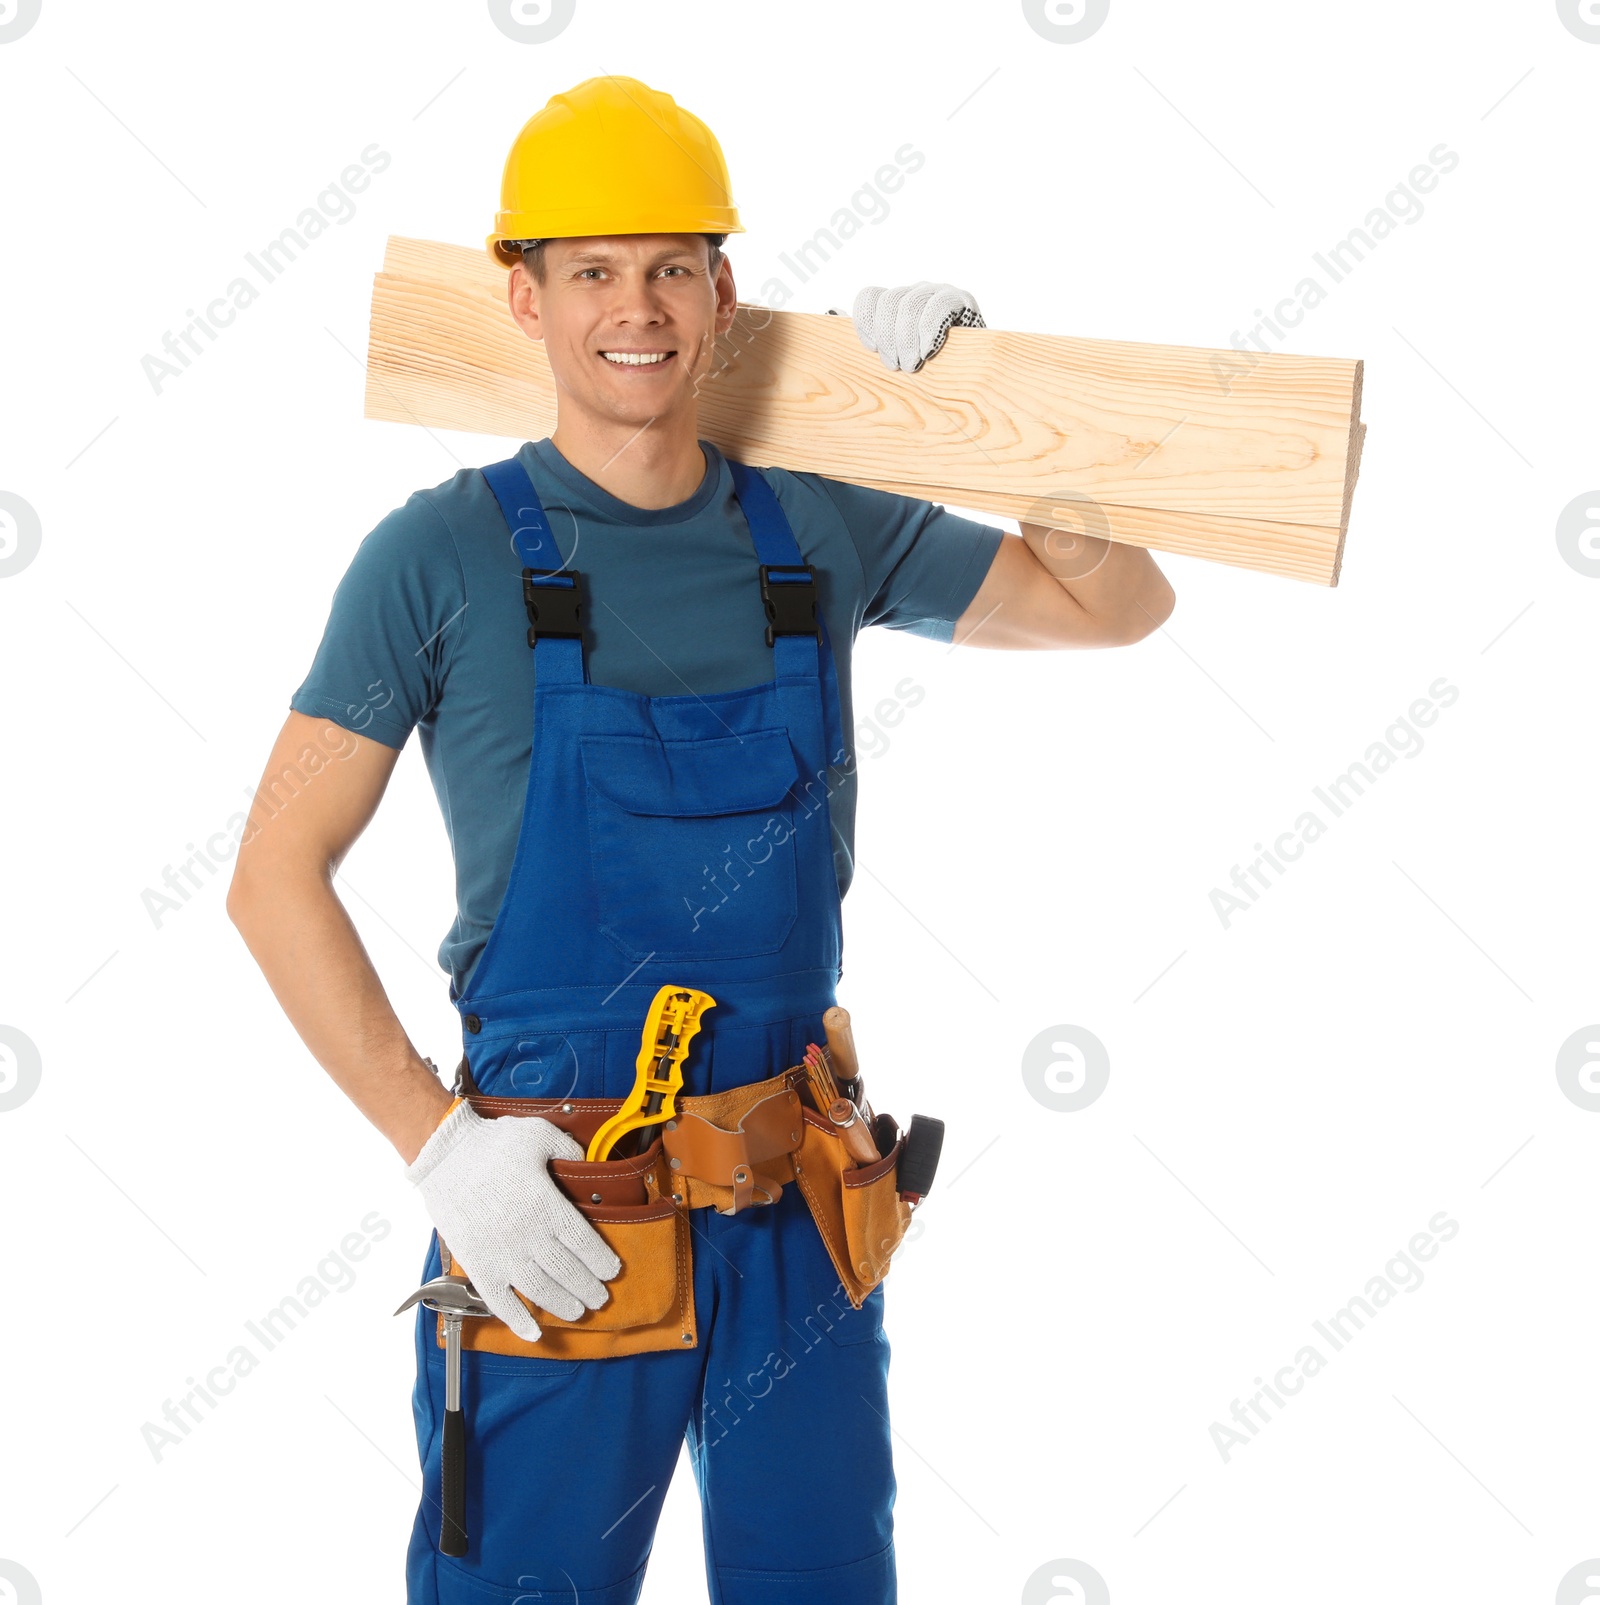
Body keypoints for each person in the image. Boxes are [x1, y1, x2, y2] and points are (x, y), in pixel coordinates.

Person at [227, 74, 1174, 1605]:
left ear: (725, 292)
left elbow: (1116, 607)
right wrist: (435, 1142)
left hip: (799, 1200)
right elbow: (272, 877)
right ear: (521, 297)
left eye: (673, 265)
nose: (638, 307)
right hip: (562, 1209)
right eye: (591, 269)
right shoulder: (439, 555)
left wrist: (989, 413)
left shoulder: (818, 527)